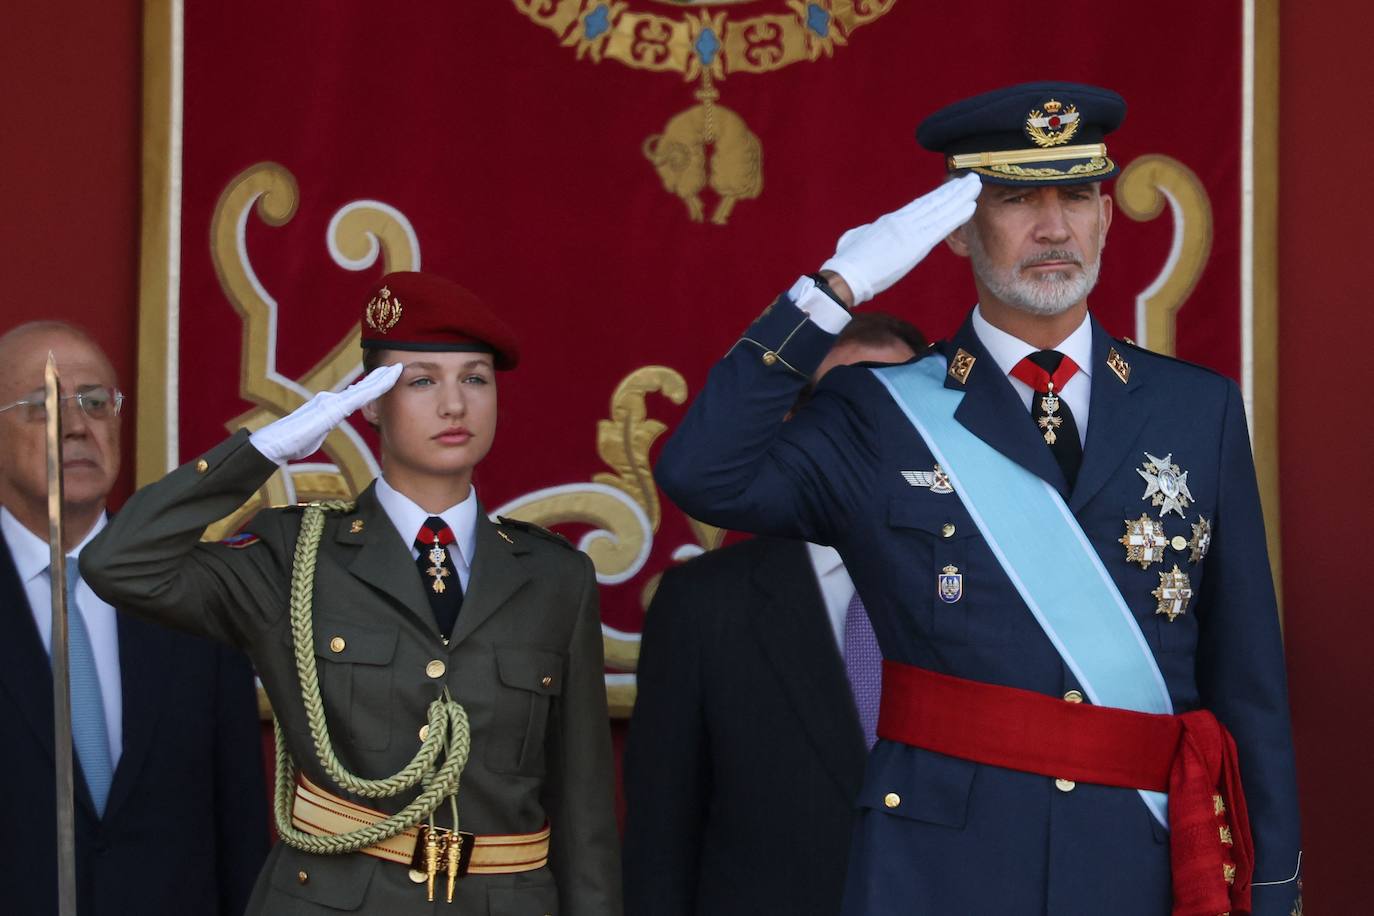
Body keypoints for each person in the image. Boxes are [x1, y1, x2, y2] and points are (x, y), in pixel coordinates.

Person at [653, 82, 1302, 916]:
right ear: (958, 228)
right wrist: (828, 295)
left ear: (1107, 216)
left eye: (1076, 195)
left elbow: (1247, 674)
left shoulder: (1195, 407)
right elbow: (702, 473)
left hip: (1136, 862)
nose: (1053, 228)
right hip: (943, 869)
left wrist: (1271, 882)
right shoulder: (879, 410)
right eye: (1016, 199)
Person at [82, 272, 622, 914]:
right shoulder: (295, 554)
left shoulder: (554, 576)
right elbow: (120, 563)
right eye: (421, 381)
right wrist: (264, 449)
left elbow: (583, 806)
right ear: (367, 402)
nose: (455, 405)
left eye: (474, 379)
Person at [624, 313, 924, 916]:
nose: (869, 430)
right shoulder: (702, 606)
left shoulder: (991, 589)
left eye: (896, 401)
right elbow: (660, 839)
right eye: (838, 404)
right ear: (791, 423)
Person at [0, 320, 267, 915]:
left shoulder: (197, 589)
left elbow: (240, 820)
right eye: (41, 407)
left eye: (95, 402)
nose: (76, 426)